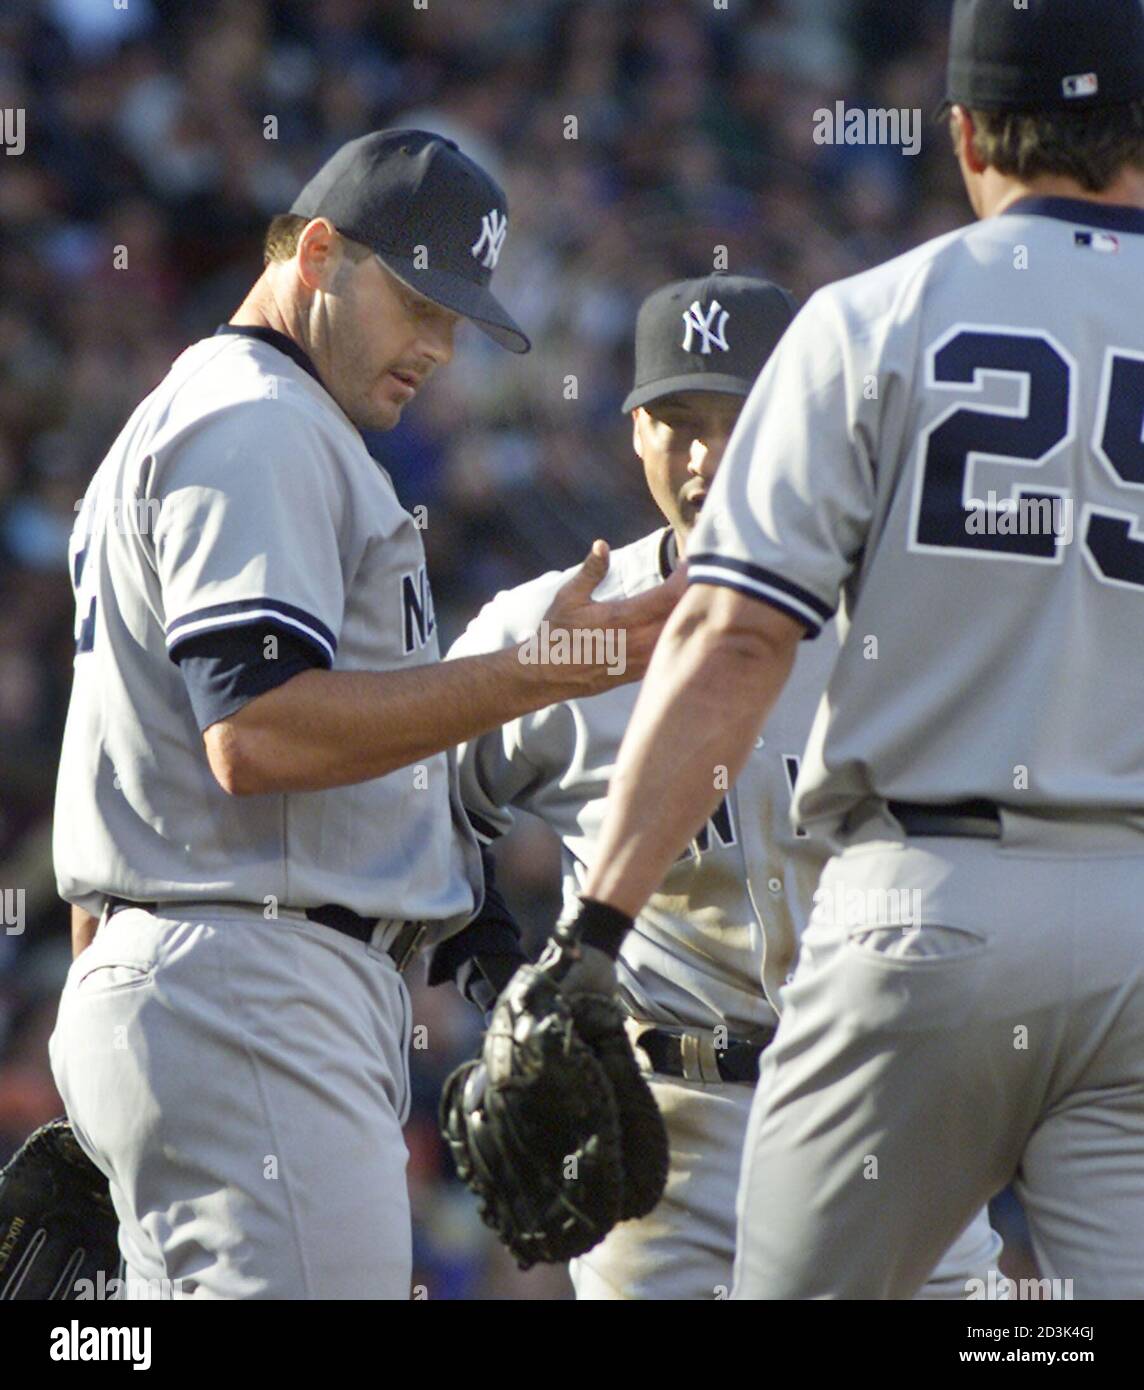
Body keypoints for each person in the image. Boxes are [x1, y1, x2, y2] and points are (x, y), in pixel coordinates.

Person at [527, 0, 1144, 1299]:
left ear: (966, 133)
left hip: (927, 911)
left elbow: (739, 638)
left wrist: (597, 927)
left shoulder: (875, 314)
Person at [47, 129, 677, 1300]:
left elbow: (168, 772)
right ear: (320, 253)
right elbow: (260, 733)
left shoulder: (232, 414)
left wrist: (486, 950)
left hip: (212, 988)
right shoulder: (260, 419)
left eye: (461, 321)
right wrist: (534, 672)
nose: (440, 346)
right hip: (251, 995)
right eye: (421, 302)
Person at [438, 273, 1002, 1299]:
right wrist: (489, 968)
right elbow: (414, 805)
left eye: (743, 420)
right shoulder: (560, 626)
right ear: (634, 434)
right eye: (676, 422)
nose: (706, 458)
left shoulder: (914, 622)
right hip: (658, 1131)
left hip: (880, 1109)